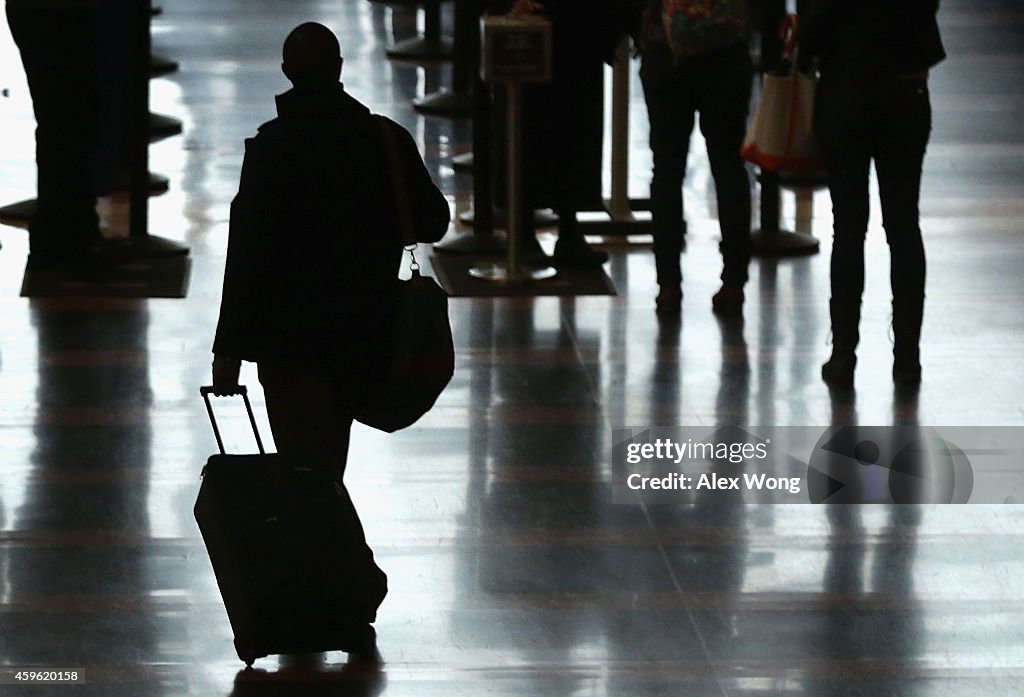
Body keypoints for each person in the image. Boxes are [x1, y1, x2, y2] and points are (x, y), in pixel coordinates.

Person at [211, 22, 450, 482]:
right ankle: (336, 550)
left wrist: (229, 353)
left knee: (305, 469)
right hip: (365, 332)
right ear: (339, 68)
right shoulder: (383, 140)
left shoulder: (269, 150)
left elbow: (245, 259)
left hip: (288, 346)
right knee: (328, 464)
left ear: (287, 72)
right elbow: (432, 221)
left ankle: (325, 551)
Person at [802, 1, 945, 385]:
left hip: (845, 88)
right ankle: (907, 358)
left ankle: (844, 353)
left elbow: (814, 18)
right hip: (905, 86)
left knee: (848, 227)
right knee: (903, 225)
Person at [633, 0, 755, 316]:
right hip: (727, 53)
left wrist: (637, 30)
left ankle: (668, 284)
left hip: (665, 53)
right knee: (729, 167)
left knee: (667, 171)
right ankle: (733, 282)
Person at [507, 0, 626, 269]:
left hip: (566, 26)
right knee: (544, 130)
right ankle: (544, 231)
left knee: (559, 132)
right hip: (565, 27)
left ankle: (548, 231)